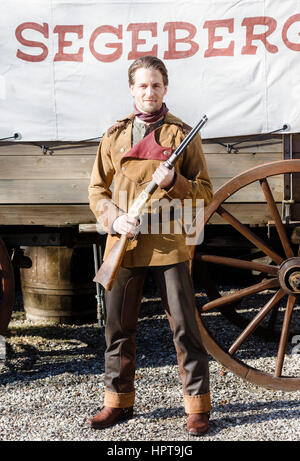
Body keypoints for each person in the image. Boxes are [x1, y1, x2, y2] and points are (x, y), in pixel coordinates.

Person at [87, 56, 213, 436]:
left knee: (185, 329)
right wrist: (113, 217)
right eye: (142, 85)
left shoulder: (181, 135)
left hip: (168, 243)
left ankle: (197, 406)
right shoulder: (113, 136)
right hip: (124, 243)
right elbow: (97, 190)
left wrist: (174, 181)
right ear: (132, 89)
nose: (149, 92)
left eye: (156, 85)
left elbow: (205, 192)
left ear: (165, 89)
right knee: (117, 329)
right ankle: (117, 402)